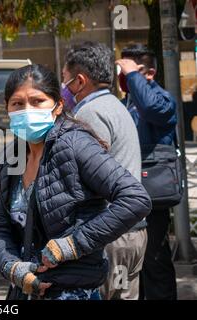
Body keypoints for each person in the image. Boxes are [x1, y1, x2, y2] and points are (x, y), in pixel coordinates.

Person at [0, 64, 151, 300]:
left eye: (37, 102)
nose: (27, 110)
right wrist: (12, 268)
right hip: (25, 291)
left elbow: (135, 198)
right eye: (17, 104)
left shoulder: (75, 143)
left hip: (73, 291)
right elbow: (0, 228)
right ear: (7, 109)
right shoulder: (10, 157)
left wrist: (72, 245)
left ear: (58, 106)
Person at [61, 41, 147, 300]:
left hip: (113, 235)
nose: (63, 88)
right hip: (129, 233)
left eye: (65, 80)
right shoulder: (115, 106)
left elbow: (87, 174)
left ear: (80, 81)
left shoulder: (91, 113)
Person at [117, 43, 178, 300]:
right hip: (128, 195)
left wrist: (132, 75)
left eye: (130, 71)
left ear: (149, 74)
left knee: (154, 259)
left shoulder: (162, 100)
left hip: (153, 197)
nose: (123, 77)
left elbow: (152, 109)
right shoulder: (127, 103)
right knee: (135, 262)